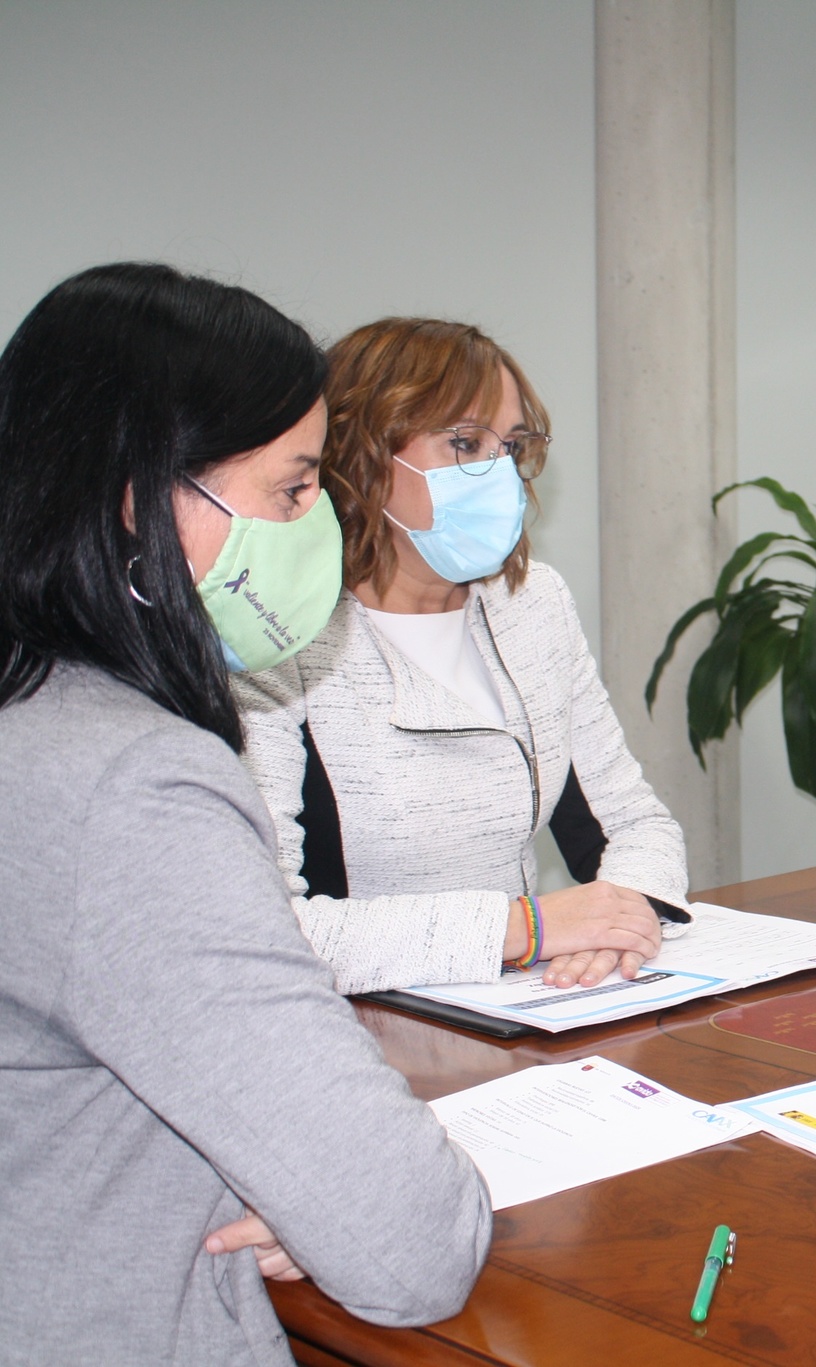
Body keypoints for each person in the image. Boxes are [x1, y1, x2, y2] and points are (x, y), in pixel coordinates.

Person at [0, 263, 491, 1365]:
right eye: (292, 489)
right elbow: (412, 1240)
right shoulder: (130, 788)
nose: (321, 523)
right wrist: (315, 1189)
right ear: (141, 502)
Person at [231, 318, 688, 996]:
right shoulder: (276, 635)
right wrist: (526, 928)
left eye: (511, 446)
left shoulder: (531, 605)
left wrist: (619, 920)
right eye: (466, 443)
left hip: (537, 1006)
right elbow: (258, 929)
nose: (498, 471)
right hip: (355, 1027)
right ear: (362, 452)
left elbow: (633, 822)